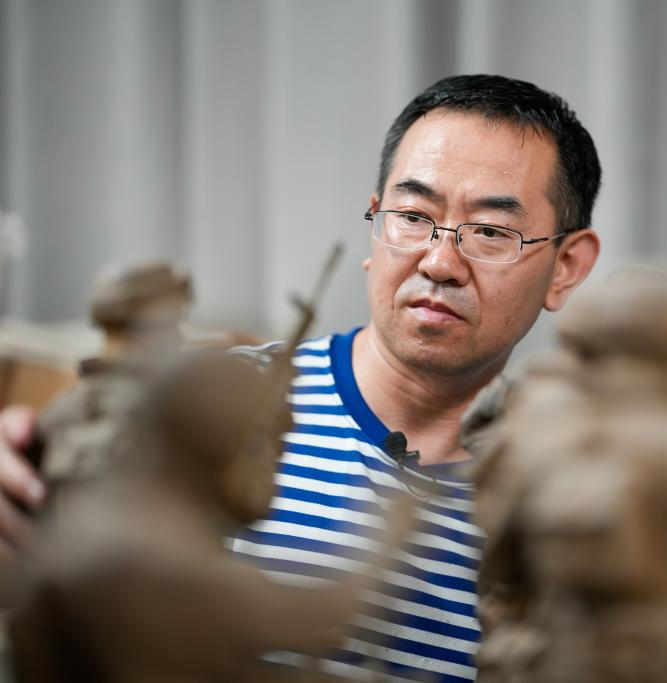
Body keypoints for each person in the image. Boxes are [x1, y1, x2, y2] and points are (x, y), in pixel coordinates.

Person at [0, 74, 602, 682]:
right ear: (375, 221)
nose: (440, 261)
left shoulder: (579, 499)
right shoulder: (208, 401)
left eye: (492, 232)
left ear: (566, 268)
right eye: (413, 216)